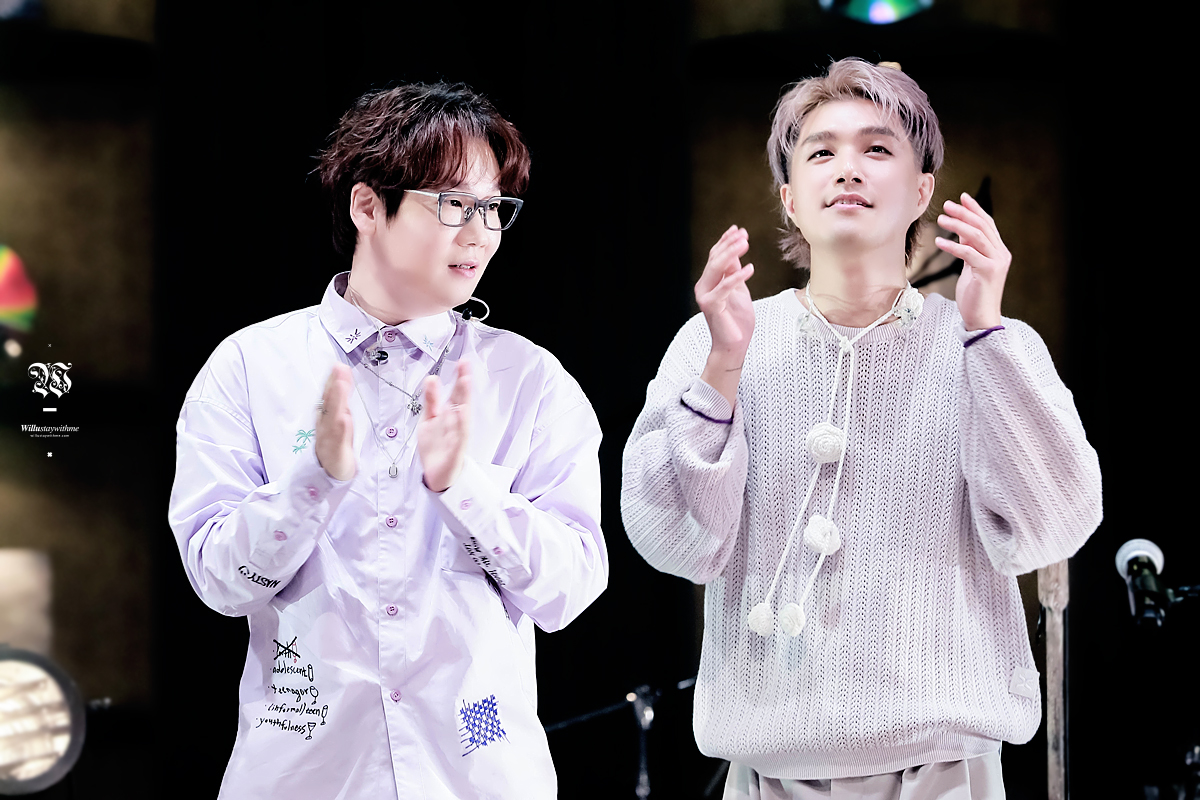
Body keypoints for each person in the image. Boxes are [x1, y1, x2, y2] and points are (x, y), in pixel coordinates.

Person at [620, 58, 1102, 799]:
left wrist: (985, 331)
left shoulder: (987, 342)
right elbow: (673, 540)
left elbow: (1051, 528)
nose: (848, 167)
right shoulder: (716, 340)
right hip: (773, 769)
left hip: (946, 764)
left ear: (922, 192)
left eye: (877, 148)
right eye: (821, 151)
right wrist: (722, 367)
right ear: (789, 198)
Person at [168, 82, 607, 799]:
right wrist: (313, 483)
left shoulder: (527, 379)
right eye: (455, 204)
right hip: (305, 778)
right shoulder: (250, 367)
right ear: (368, 206)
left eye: (494, 208)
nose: (481, 233)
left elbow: (570, 591)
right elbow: (218, 584)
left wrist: (466, 487)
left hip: (477, 777)